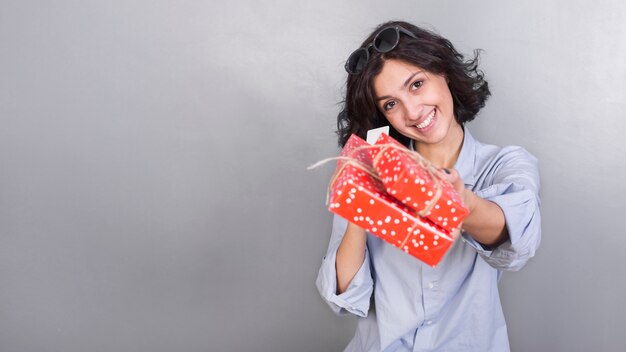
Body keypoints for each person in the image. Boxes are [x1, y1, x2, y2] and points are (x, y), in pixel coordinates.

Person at [316, 20, 541, 352]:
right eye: (390, 104)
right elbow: (346, 296)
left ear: (444, 73)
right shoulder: (374, 168)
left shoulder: (505, 164)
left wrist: (458, 202)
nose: (412, 111)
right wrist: (360, 204)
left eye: (417, 84)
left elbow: (516, 238)